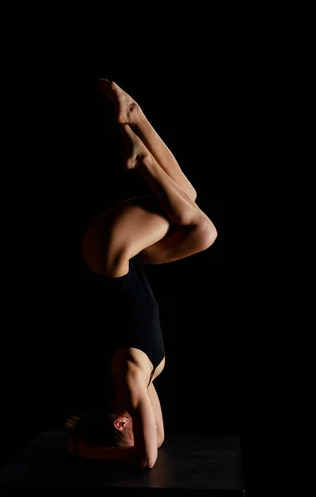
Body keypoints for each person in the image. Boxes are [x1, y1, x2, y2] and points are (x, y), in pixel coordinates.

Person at [66, 78, 217, 469]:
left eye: (135, 426)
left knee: (201, 225)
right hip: (128, 256)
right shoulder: (143, 384)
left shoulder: (132, 377)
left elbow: (145, 458)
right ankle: (134, 119)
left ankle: (140, 155)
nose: (149, 425)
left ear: (121, 420)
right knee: (196, 218)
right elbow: (159, 440)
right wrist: (106, 443)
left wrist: (89, 451)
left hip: (110, 248)